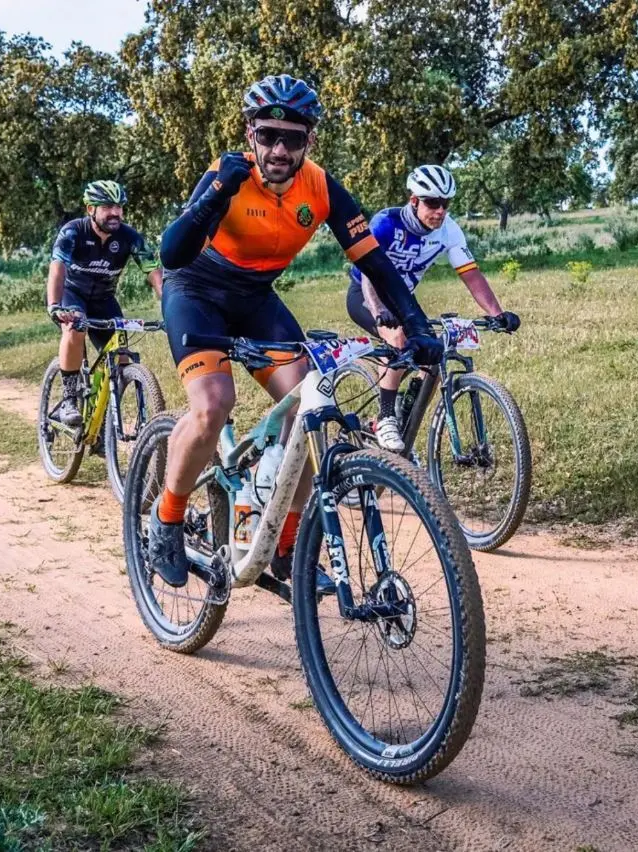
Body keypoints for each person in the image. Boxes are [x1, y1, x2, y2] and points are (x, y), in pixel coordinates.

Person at [152, 73, 442, 588]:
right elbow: (172, 253)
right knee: (214, 403)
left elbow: (375, 264)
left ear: (310, 140)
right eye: (268, 135)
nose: (279, 149)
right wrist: (217, 191)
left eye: (293, 138)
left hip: (255, 297)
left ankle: (281, 545)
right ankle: (167, 517)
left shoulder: (322, 188)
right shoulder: (227, 172)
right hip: (195, 291)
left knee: (309, 406)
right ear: (250, 134)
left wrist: (416, 324)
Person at [346, 164, 520, 451]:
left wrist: (497, 313)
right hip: (366, 294)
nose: (440, 211)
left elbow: (471, 274)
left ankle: (404, 420)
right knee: (398, 341)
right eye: (433, 203)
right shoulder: (387, 223)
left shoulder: (448, 231)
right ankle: (385, 417)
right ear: (414, 201)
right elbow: (367, 272)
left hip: (403, 300)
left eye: (445, 204)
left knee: (432, 356)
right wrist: (378, 311)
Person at [46, 180, 161, 428]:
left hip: (104, 300)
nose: (115, 213)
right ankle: (69, 399)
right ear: (90, 209)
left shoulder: (130, 237)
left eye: (119, 206)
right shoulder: (73, 231)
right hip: (73, 295)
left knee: (121, 359)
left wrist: (171, 305)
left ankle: (106, 423)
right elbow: (58, 268)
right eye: (108, 206)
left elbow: (153, 272)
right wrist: (55, 305)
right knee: (75, 328)